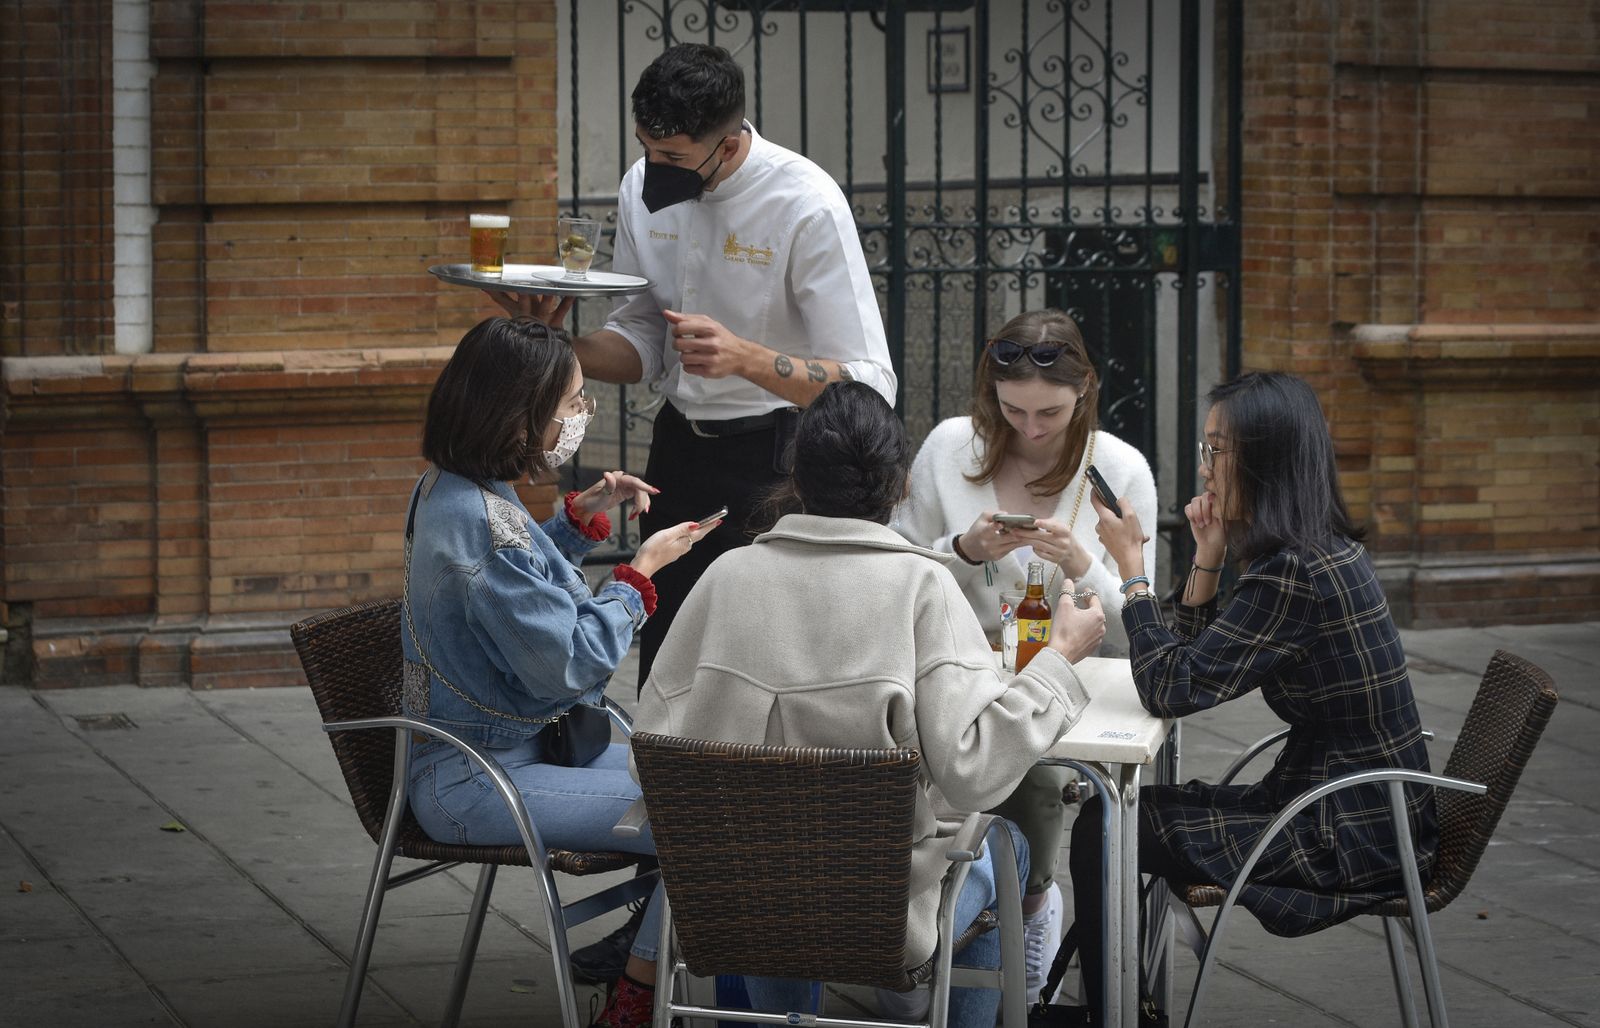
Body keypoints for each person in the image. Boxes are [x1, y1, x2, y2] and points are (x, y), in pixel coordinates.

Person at [498, 43, 895, 984]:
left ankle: (740, 916)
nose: (656, 172)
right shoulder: (646, 183)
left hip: (779, 454)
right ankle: (666, 916)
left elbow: (870, 383)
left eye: (677, 158)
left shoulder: (806, 201)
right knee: (670, 674)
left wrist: (753, 359)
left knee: (756, 690)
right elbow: (641, 342)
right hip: (683, 445)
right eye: (648, 150)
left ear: (729, 141)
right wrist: (563, 341)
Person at [634, 382, 1107, 1026]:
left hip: (732, 903)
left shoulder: (723, 576)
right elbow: (973, 770)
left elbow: (651, 753)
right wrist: (1057, 663)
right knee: (1010, 848)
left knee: (775, 870)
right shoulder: (922, 586)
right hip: (878, 915)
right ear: (900, 482)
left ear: (796, 476)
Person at [1072, 370, 1439, 1022]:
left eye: (1218, 449)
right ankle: (1126, 1005)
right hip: (1367, 809)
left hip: (1344, 832)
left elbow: (1168, 687)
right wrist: (1208, 556)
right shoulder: (1316, 552)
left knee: (1105, 823)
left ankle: (1115, 1016)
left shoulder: (1294, 573)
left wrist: (1132, 573)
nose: (1205, 467)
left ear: (1266, 460)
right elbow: (1190, 664)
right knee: (1125, 816)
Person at [399, 316, 718, 1028]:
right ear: (519, 416)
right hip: (476, 776)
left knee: (717, 788)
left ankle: (650, 953)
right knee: (708, 823)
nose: (580, 417)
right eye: (574, 403)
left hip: (502, 752)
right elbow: (570, 665)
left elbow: (512, 591)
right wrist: (640, 574)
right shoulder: (478, 521)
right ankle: (636, 995)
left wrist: (577, 520)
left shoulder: (454, 487)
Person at [891, 307, 1157, 1003]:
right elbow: (889, 570)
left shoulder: (1120, 468)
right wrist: (962, 550)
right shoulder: (951, 447)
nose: (1032, 428)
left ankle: (1029, 905)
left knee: (1035, 769)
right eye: (1014, 409)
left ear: (1085, 391)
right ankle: (936, 921)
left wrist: (1086, 567)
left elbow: (1143, 633)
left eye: (1051, 412)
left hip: (1063, 679)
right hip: (952, 671)